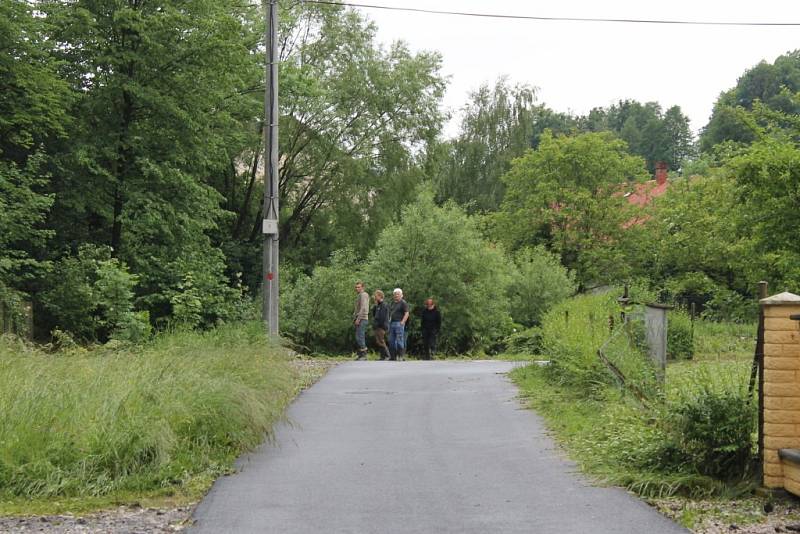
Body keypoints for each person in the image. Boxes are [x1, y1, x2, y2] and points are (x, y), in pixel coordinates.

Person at [388, 288, 409, 361]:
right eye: (395, 294)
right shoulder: (393, 303)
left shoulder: (403, 303)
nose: (396, 295)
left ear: (401, 295)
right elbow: (391, 312)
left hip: (399, 323)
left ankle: (401, 356)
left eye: (398, 294)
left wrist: (402, 322)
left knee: (400, 340)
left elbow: (407, 313)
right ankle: (393, 356)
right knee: (391, 340)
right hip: (392, 323)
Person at [371, 290, 391, 361]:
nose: (374, 297)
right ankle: (382, 356)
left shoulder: (384, 305)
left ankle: (387, 355)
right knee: (378, 341)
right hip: (377, 326)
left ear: (380, 296)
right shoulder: (378, 305)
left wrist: (379, 325)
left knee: (381, 341)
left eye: (375, 296)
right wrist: (375, 305)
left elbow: (382, 317)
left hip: (381, 326)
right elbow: (374, 314)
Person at [353, 281, 370, 360]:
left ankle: (364, 355)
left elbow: (363, 308)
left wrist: (358, 319)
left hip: (362, 318)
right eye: (356, 287)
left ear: (363, 287)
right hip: (359, 318)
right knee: (357, 337)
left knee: (360, 336)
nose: (357, 288)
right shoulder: (360, 295)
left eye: (359, 287)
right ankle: (360, 354)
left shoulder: (364, 295)